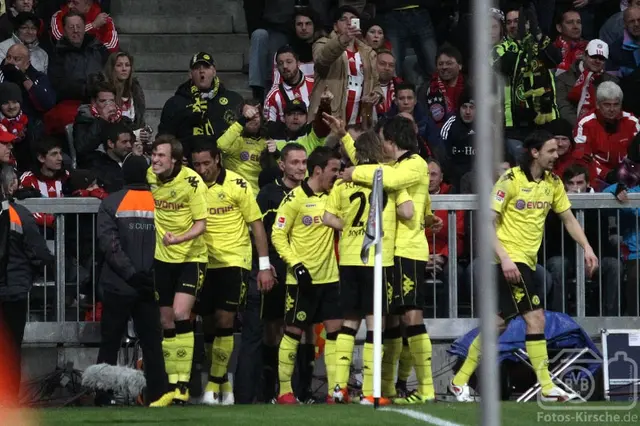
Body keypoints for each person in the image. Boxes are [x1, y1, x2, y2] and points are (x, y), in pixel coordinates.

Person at [449, 130, 598, 403]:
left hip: (525, 262)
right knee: (535, 318)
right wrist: (505, 258)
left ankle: (459, 382)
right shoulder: (510, 180)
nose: (557, 155)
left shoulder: (553, 183)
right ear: (535, 152)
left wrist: (587, 247)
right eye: (551, 151)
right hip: (507, 261)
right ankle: (547, 386)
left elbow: (568, 219)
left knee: (498, 325)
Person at [336, 115, 441, 404]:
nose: (380, 145)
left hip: (408, 251)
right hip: (392, 252)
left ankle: (427, 388)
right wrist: (345, 136)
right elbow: (375, 165)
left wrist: (353, 173)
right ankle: (389, 387)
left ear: (392, 141)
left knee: (411, 315)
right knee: (392, 320)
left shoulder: (415, 163)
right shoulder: (396, 166)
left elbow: (386, 178)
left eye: (383, 139)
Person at [322, 130, 413, 405]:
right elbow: (408, 212)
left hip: (350, 257)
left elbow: (327, 218)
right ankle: (371, 391)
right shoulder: (388, 177)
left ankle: (338, 388)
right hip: (377, 258)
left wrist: (351, 227)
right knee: (376, 324)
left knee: (349, 322)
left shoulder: (342, 183)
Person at [190, 139, 273, 405]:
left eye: (206, 163)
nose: (201, 169)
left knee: (226, 320)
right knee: (209, 323)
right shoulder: (191, 185)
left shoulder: (238, 185)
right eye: (196, 164)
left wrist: (263, 266)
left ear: (217, 159)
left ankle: (213, 383)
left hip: (233, 261)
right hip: (203, 260)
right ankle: (222, 381)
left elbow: (256, 225)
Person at [271, 146, 342, 405]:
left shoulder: (334, 197)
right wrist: (295, 264)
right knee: (293, 332)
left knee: (335, 332)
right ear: (318, 170)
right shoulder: (294, 199)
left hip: (330, 278)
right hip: (301, 280)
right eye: (334, 170)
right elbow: (278, 234)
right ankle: (285, 392)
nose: (337, 175)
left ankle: (335, 391)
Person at [95, 155, 168, 406]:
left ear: (124, 175)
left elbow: (109, 245)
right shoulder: (160, 202)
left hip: (118, 283)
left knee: (110, 343)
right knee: (152, 345)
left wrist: (130, 274)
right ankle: (157, 396)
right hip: (150, 284)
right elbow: (169, 243)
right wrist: (149, 275)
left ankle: (103, 396)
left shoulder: (111, 202)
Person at [146, 135, 208, 407]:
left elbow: (201, 224)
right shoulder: (150, 176)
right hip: (163, 259)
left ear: (175, 160)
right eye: (154, 154)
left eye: (161, 156)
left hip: (191, 257)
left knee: (182, 314)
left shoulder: (192, 182)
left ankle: (184, 386)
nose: (156, 160)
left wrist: (179, 239)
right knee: (166, 321)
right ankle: (172, 386)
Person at [0, 164, 54, 398]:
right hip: (13, 291)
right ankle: (9, 401)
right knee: (11, 349)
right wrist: (32, 274)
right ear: (11, 186)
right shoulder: (19, 214)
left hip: (13, 288)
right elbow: (41, 253)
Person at [158, 52, 243, 156]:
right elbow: (163, 138)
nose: (202, 71)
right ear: (190, 74)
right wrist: (177, 156)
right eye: (197, 68)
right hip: (187, 164)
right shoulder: (175, 103)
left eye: (206, 67)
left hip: (226, 161)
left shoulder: (234, 99)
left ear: (214, 71)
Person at [308, 6, 381, 124]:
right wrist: (343, 40)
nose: (348, 22)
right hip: (329, 119)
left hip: (359, 122)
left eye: (352, 19)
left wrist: (377, 94)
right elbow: (322, 60)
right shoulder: (321, 44)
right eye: (343, 19)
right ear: (335, 26)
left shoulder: (369, 53)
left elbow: (376, 83)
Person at [573, 81, 640, 187]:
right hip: (597, 180)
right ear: (598, 104)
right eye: (607, 105)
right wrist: (606, 174)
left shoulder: (632, 122)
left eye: (616, 104)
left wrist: (626, 173)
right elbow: (583, 159)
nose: (612, 109)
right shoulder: (585, 123)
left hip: (630, 178)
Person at [264, 45, 315, 136]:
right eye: (280, 63)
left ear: (298, 63)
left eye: (289, 62)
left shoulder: (315, 86)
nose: (285, 66)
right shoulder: (273, 96)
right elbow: (268, 128)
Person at [102, 51, 147, 132]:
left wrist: (143, 133)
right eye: (119, 65)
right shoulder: (105, 91)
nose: (124, 69)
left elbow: (140, 121)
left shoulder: (136, 90)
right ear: (112, 68)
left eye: (127, 65)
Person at [51, 0, 119, 52]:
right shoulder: (59, 15)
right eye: (69, 1)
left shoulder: (104, 19)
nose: (70, 6)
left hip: (94, 64)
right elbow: (60, 39)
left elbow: (112, 47)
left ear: (87, 5)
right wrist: (92, 26)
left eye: (75, 3)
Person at [89, 121, 133, 193]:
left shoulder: (132, 161)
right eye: (124, 142)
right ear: (111, 143)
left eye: (130, 141)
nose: (129, 146)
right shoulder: (100, 167)